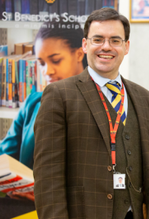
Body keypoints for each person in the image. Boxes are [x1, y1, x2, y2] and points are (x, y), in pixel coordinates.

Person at [33, 8, 149, 219]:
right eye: (98, 39)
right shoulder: (59, 94)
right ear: (85, 45)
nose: (106, 47)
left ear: (126, 47)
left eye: (115, 40)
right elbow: (48, 178)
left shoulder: (144, 98)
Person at [0, 19, 86, 202]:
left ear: (79, 54)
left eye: (55, 60)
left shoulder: (100, 106)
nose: (48, 71)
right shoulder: (33, 103)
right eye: (41, 63)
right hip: (24, 209)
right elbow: (5, 157)